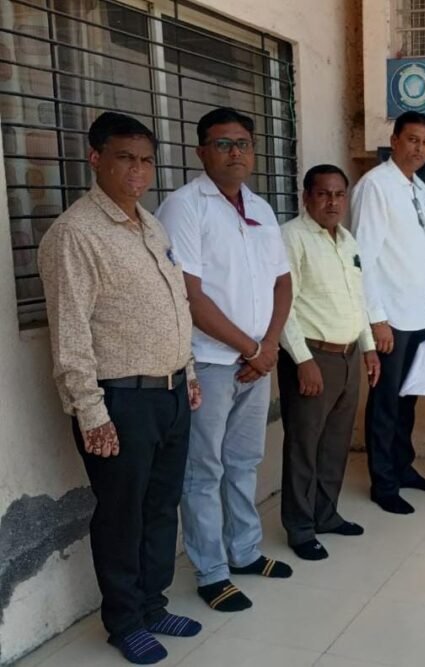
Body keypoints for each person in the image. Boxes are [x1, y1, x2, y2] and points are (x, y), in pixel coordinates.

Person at [38, 112, 202, 664]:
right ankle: (125, 621)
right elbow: (70, 334)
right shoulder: (75, 234)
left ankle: (152, 604)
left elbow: (175, 306)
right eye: (125, 158)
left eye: (146, 160)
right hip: (120, 401)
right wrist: (92, 412)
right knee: (121, 513)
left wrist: (189, 373)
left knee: (161, 507)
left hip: (170, 394)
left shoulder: (150, 226)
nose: (138, 170)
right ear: (96, 159)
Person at [157, 107, 294, 612]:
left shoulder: (261, 208)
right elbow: (189, 295)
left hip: (257, 362)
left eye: (243, 143)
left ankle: (245, 551)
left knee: (244, 462)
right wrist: (252, 348)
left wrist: (269, 345)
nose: (235, 152)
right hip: (210, 363)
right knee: (203, 470)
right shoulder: (184, 207)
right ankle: (211, 572)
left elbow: (282, 282)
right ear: (201, 152)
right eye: (222, 143)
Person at [278, 165, 382, 561]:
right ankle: (300, 528)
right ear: (306, 197)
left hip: (348, 355)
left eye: (339, 194)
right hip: (312, 355)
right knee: (304, 446)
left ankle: (326, 514)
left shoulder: (347, 239)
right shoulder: (291, 237)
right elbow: (283, 306)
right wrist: (302, 360)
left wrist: (368, 347)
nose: (332, 202)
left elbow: (358, 299)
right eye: (323, 194)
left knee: (335, 443)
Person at [350, 111, 425, 515]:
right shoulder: (376, 186)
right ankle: (383, 483)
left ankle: (403, 468)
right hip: (390, 317)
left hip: (417, 314)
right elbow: (363, 258)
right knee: (386, 401)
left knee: (407, 399)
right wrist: (376, 318)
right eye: (412, 139)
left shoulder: (419, 187)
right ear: (395, 141)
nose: (419, 148)